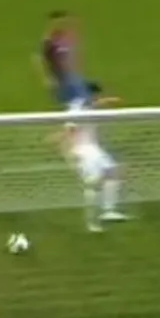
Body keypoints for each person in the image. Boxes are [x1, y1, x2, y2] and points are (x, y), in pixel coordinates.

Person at [51, 82, 131, 233]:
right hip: (83, 151)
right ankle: (92, 223)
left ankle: (108, 211)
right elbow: (70, 131)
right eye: (96, 95)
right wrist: (69, 154)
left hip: (94, 149)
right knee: (92, 184)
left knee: (113, 173)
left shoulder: (87, 104)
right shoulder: (76, 109)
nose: (98, 98)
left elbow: (94, 105)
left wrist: (109, 100)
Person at [36, 10, 87, 106]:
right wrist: (47, 78)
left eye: (63, 21)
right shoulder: (49, 41)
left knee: (81, 101)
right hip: (60, 77)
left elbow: (72, 54)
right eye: (57, 21)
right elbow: (41, 59)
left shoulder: (68, 36)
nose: (62, 24)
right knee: (75, 102)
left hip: (72, 74)